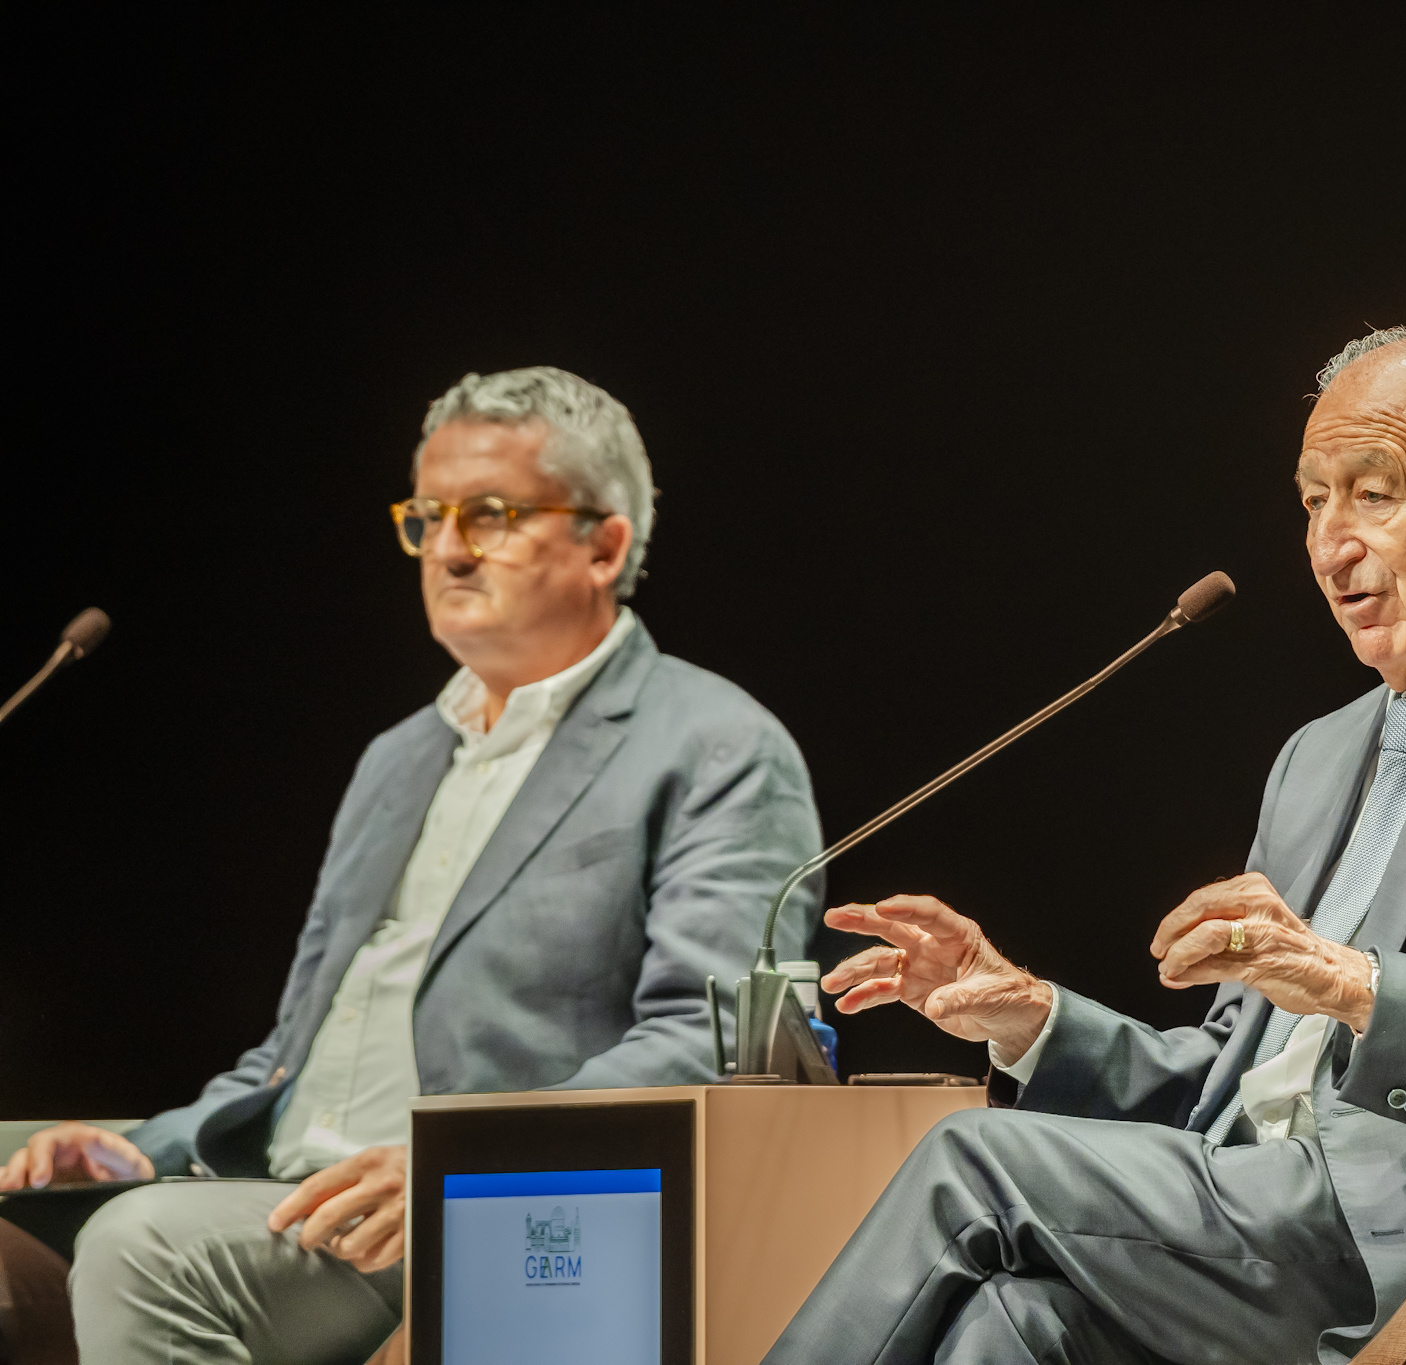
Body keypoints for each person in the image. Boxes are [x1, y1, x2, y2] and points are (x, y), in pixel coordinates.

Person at [767, 327, 1406, 1365]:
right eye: (1312, 501)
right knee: (1009, 1328)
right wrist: (1034, 1019)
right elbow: (1228, 1079)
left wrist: (1354, 986)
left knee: (970, 1162)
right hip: (1248, 1216)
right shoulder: (1319, 756)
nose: (1329, 546)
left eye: (1372, 494)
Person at [0, 367, 823, 1364]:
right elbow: (293, 1056)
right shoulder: (397, 759)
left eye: (490, 515)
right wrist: (145, 1147)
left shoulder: (714, 744)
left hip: (499, 1211)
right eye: (428, 517)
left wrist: (454, 1162)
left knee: (148, 1247)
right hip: (287, 1193)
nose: (447, 549)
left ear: (603, 545)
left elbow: (713, 1043)